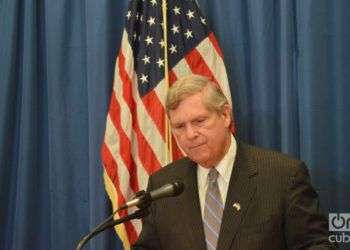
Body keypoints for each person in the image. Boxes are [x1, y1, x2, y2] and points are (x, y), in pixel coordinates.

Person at [132, 75, 336, 250]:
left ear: (225, 115)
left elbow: (316, 245)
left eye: (199, 121)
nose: (190, 134)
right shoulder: (164, 185)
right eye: (179, 126)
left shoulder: (283, 176)